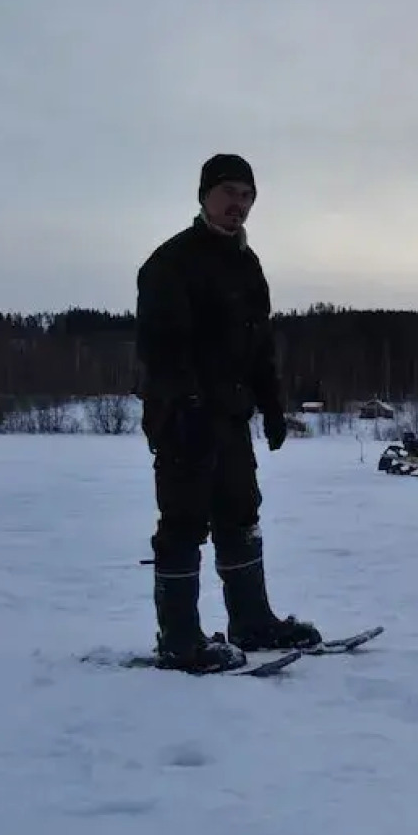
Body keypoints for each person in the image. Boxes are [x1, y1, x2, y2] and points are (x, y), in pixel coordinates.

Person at [134, 153, 321, 673]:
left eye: (247, 195)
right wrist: (186, 403)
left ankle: (251, 621)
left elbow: (258, 344)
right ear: (204, 196)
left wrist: (272, 406)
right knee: (184, 521)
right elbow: (161, 346)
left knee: (240, 514)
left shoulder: (246, 263)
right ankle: (179, 641)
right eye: (229, 193)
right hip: (182, 417)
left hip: (231, 416)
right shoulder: (170, 262)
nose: (238, 204)